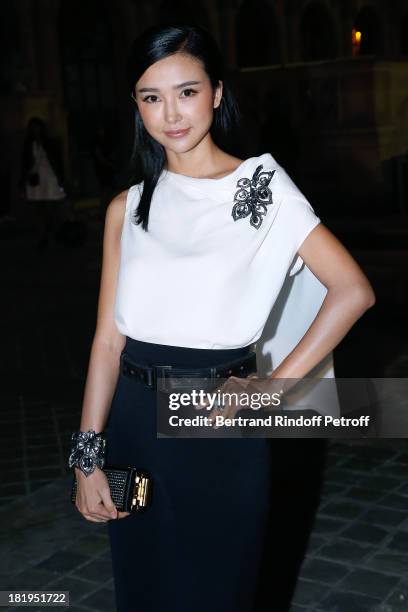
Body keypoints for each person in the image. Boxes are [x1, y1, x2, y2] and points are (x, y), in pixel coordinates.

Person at [68, 23, 376, 612]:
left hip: (216, 421)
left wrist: (272, 387)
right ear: (136, 105)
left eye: (186, 92)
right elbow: (108, 341)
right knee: (144, 585)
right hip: (132, 423)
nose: (171, 114)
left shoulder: (262, 187)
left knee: (218, 588)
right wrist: (87, 456)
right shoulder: (126, 208)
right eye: (151, 98)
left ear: (215, 92)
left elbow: (352, 290)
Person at [19, 116, 67, 251]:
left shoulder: (50, 142)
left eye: (37, 128)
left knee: (52, 206)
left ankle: (53, 232)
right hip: (35, 180)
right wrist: (22, 182)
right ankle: (44, 234)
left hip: (50, 178)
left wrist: (62, 178)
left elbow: (58, 161)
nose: (35, 131)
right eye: (33, 129)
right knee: (39, 207)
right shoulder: (29, 144)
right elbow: (24, 164)